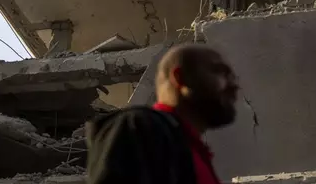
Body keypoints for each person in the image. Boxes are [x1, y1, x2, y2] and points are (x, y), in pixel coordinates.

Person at [86, 44, 240, 184]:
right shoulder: (139, 128)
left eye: (233, 77)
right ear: (180, 78)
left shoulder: (189, 147)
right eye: (221, 72)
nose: (234, 85)